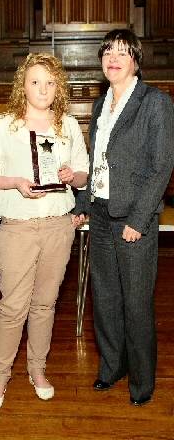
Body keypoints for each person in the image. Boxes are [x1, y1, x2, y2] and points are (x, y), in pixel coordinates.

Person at [0, 52, 89, 410]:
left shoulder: (67, 125)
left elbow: (84, 175)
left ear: (59, 88)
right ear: (22, 85)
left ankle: (37, 369)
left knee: (45, 305)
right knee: (12, 308)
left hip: (58, 226)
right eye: (36, 81)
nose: (43, 88)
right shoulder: (3, 124)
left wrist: (73, 176)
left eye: (50, 82)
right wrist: (16, 182)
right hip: (18, 229)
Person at [73, 29, 174, 406]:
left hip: (133, 219)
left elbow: (161, 167)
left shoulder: (155, 103)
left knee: (136, 302)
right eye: (108, 52)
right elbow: (97, 162)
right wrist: (83, 204)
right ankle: (112, 367)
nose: (113, 58)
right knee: (106, 299)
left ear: (136, 61)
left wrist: (139, 218)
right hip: (100, 214)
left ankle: (142, 383)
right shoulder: (101, 105)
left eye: (123, 52)